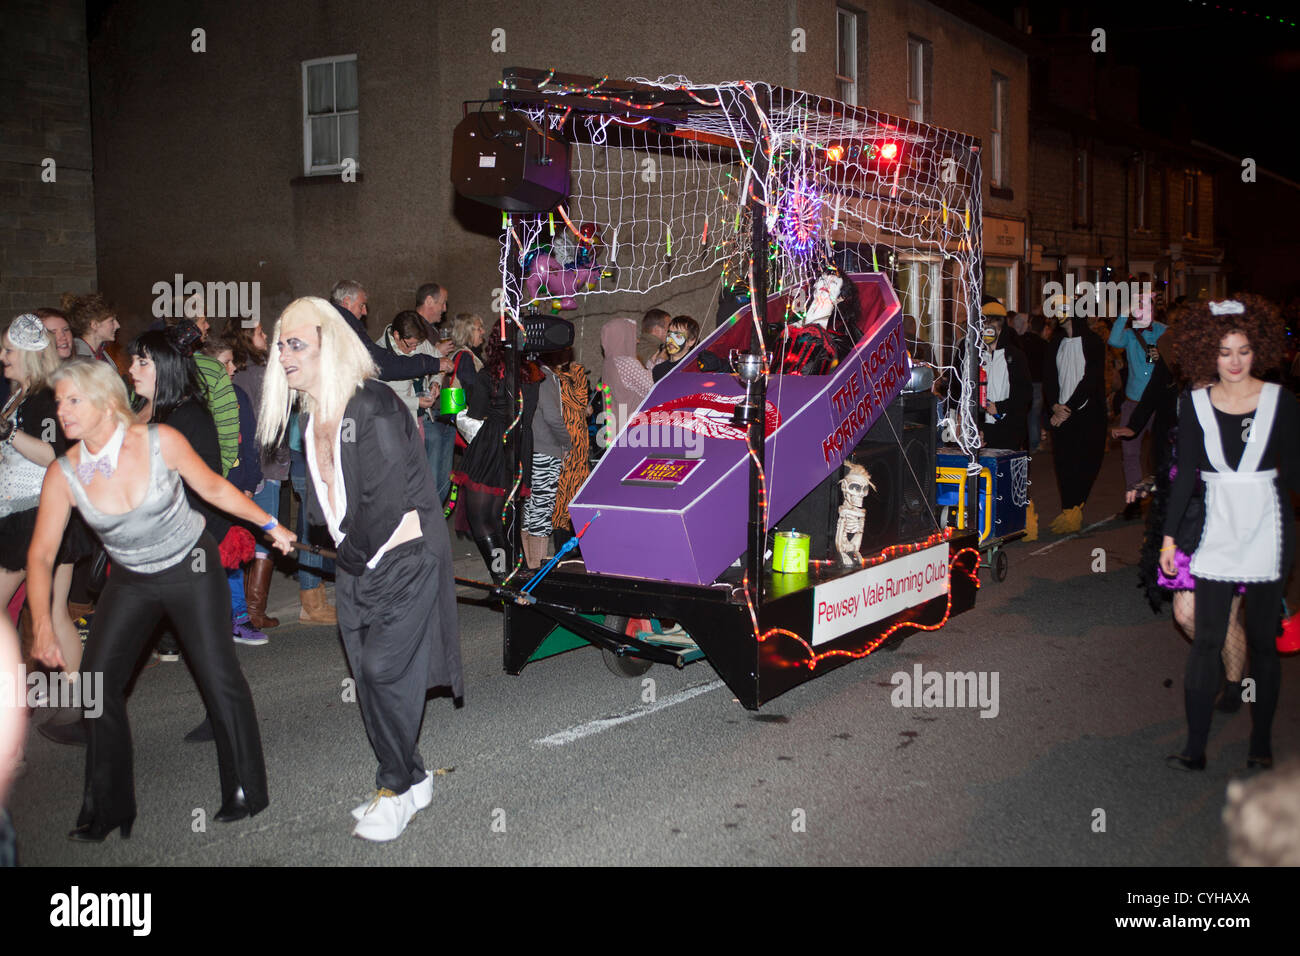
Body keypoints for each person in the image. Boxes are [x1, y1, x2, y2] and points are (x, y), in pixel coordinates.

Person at [26, 359, 293, 840]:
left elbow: (212, 486)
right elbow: (41, 554)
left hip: (190, 566)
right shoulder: (64, 473)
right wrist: (43, 624)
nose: (62, 411)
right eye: (59, 401)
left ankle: (244, 789)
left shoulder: (159, 441)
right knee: (96, 684)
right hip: (131, 578)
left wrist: (270, 525)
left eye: (73, 400)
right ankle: (108, 807)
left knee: (218, 674)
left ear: (108, 401)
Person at [258, 296, 463, 841]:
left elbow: (387, 500)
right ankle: (415, 777)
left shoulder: (370, 405)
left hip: (405, 559)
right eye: (281, 344)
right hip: (359, 562)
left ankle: (394, 789)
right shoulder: (313, 414)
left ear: (331, 346)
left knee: (381, 672)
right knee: (366, 675)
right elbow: (339, 502)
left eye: (296, 343)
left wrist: (349, 553)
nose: (284, 354)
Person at [1161, 296, 1299, 772]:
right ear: (1208, 354)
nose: (1235, 361)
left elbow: (1296, 478)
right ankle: (1195, 749)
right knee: (1205, 641)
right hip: (1217, 532)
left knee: (1262, 643)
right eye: (1224, 351)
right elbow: (1184, 480)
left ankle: (1261, 742)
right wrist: (1169, 539)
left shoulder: (1282, 402)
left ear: (1256, 349)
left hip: (1269, 531)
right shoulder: (1194, 404)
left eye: (1242, 350)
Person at [453, 331, 540, 583]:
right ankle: (514, 570)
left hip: (493, 445)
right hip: (520, 445)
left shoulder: (490, 375)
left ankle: (501, 574)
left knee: (481, 517)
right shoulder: (533, 373)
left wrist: (460, 411)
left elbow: (478, 413)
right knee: (505, 515)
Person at [200, 338, 268, 647]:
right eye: (226, 362)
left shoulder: (238, 394)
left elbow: (250, 441)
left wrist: (250, 484)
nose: (233, 367)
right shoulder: (198, 401)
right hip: (206, 491)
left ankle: (238, 618)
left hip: (236, 488)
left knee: (233, 554)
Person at [227, 320, 286, 631]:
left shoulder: (237, 372)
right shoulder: (263, 374)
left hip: (241, 466)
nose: (266, 337)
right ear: (248, 336)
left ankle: (240, 609)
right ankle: (254, 609)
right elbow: (273, 421)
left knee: (238, 535)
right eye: (261, 332)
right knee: (267, 533)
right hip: (264, 463)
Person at [1042, 297, 1107, 534]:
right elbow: (1049, 378)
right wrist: (1055, 408)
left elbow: (1090, 380)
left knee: (1086, 462)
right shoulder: (1055, 342)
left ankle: (1076, 507)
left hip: (1086, 414)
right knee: (1064, 464)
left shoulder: (1093, 342)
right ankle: (1068, 509)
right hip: (1060, 414)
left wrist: (1067, 407)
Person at [1109, 293, 1168, 519]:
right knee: (1130, 453)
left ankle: (1162, 498)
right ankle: (1134, 499)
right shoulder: (1130, 333)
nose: (1142, 311)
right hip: (1133, 403)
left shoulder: (1163, 331)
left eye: (1147, 306)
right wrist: (1124, 313)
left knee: (1160, 452)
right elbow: (1114, 341)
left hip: (1158, 404)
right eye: (1138, 307)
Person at [523, 355, 571, 568]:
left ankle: (528, 562)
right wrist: (567, 442)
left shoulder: (529, 371)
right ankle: (537, 566)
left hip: (531, 448)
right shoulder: (545, 377)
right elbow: (552, 416)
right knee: (542, 509)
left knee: (530, 506)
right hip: (546, 449)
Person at [549, 349, 591, 550]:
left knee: (578, 489)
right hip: (563, 440)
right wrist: (577, 373)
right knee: (562, 493)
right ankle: (563, 548)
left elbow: (581, 403)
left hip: (579, 442)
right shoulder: (551, 376)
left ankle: (580, 544)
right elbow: (579, 401)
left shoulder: (572, 373)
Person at [978, 309, 1031, 450]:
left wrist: (1000, 407)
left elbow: (1024, 394)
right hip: (983, 426)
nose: (987, 333)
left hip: (1007, 425)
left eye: (991, 329)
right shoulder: (977, 357)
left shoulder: (1015, 356)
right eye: (984, 329)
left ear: (1000, 331)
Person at [600, 316, 652, 442]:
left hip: (615, 432)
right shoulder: (626, 363)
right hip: (633, 434)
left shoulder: (608, 364)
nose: (637, 341)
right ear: (623, 338)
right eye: (632, 336)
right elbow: (653, 389)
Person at [650, 315, 725, 382]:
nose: (671, 340)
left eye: (678, 336)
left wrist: (719, 365)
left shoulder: (699, 366)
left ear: (691, 341)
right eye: (669, 334)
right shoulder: (658, 370)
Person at [63, 293, 120, 365]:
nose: (118, 325)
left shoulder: (101, 354)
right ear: (94, 325)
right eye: (111, 321)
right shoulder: (79, 360)